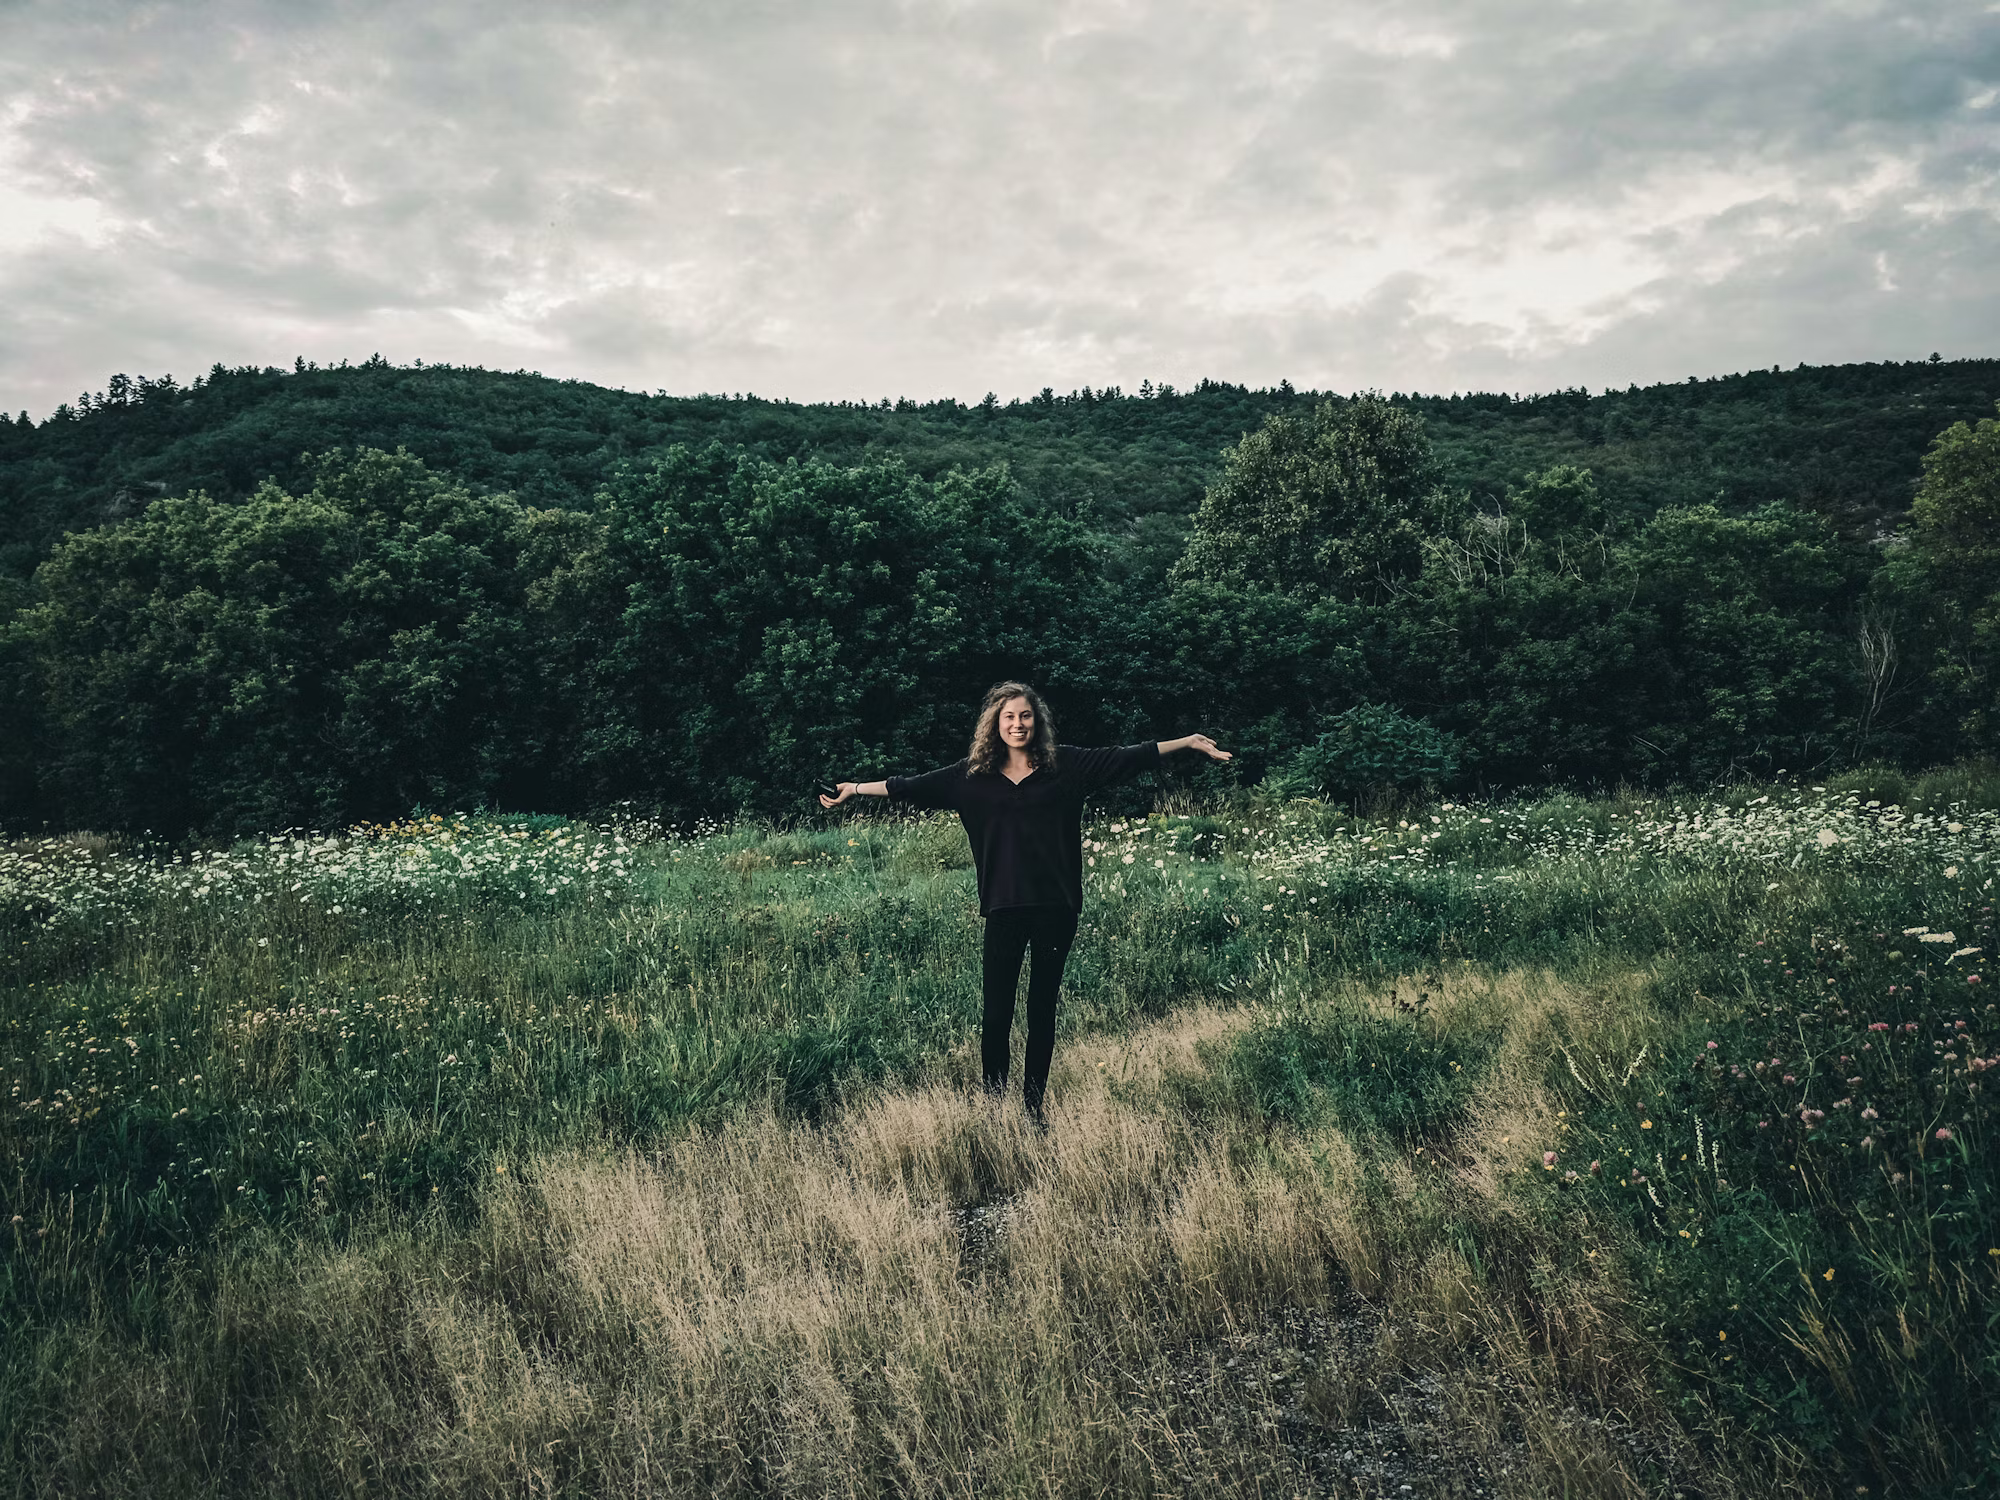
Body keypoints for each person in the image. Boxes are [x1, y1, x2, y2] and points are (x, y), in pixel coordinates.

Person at [820, 680, 1230, 1121]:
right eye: (1009, 716)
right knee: (996, 1014)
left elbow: (1129, 755)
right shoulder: (969, 779)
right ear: (995, 724)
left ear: (1038, 721)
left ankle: (1033, 1109)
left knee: (1041, 1011)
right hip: (1003, 909)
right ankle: (995, 1109)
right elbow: (908, 786)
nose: (1018, 724)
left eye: (1026, 715)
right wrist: (855, 789)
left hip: (1056, 908)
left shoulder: (1067, 766)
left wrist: (1187, 742)